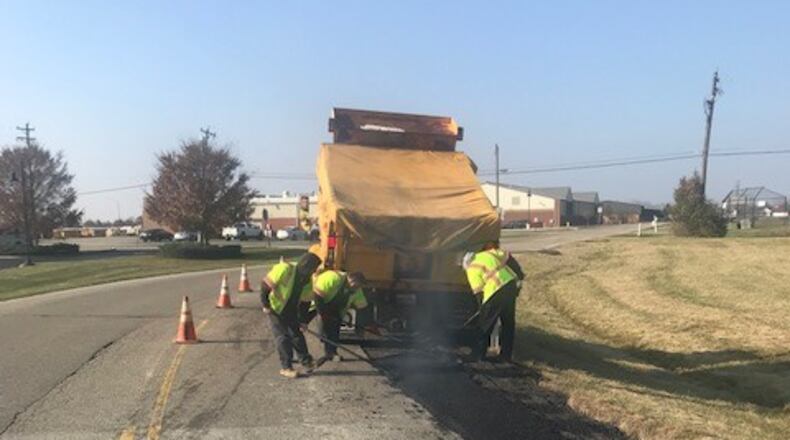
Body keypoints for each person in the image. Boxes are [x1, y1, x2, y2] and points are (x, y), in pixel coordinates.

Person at [261, 252, 322, 378]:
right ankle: (286, 367)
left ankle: (306, 361)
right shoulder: (285, 270)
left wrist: (303, 321)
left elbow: (305, 302)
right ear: (306, 266)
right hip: (275, 309)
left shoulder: (306, 280)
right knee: (283, 337)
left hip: (291, 310)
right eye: (313, 269)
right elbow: (265, 286)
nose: (314, 272)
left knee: (297, 335)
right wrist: (266, 305)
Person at [462, 240, 525, 362]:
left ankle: (477, 355)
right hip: (510, 285)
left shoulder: (472, 269)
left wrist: (482, 309)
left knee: (485, 324)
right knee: (508, 323)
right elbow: (508, 257)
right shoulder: (489, 254)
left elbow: (479, 292)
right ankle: (506, 355)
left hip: (496, 290)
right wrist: (520, 274)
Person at [311, 270, 368, 363]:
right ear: (352, 280)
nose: (358, 288)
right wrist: (322, 313)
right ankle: (325, 353)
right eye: (357, 285)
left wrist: (367, 323)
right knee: (325, 329)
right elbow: (317, 296)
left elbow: (362, 306)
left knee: (334, 329)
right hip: (319, 302)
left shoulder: (356, 289)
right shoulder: (334, 278)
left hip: (335, 309)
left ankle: (331, 352)